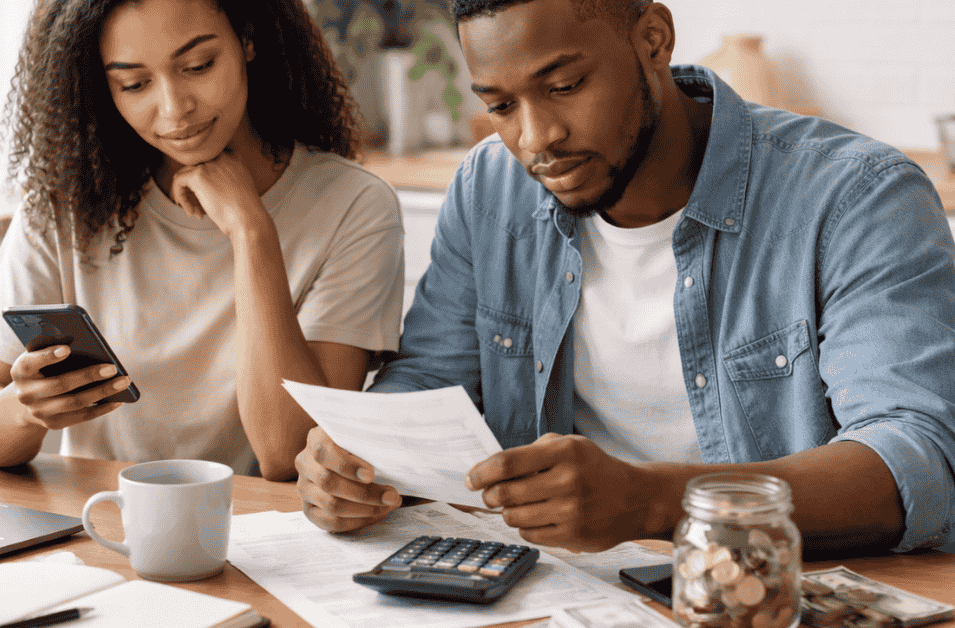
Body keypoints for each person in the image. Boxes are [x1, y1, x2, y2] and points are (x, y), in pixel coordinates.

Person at [295, 0, 955, 556]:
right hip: (562, 592)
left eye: (563, 87)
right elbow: (432, 381)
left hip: (765, 595)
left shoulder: (856, 197)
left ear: (653, 40)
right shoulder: (488, 189)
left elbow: (914, 459)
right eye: (500, 106)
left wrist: (653, 501)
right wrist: (357, 455)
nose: (536, 139)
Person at [0, 0, 404, 480]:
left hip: (260, 539)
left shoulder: (353, 205)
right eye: (134, 84)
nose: (174, 109)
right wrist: (24, 409)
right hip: (99, 531)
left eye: (197, 66)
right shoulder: (69, 203)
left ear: (247, 38)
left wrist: (251, 231)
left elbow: (289, 453)